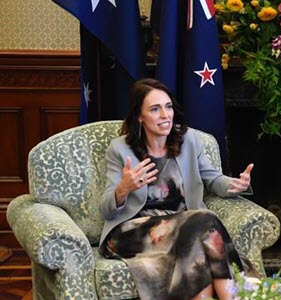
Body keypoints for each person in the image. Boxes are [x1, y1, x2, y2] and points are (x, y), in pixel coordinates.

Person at [99, 78, 254, 300]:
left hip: (184, 227)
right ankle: (236, 297)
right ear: (139, 116)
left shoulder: (189, 140)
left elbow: (213, 179)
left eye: (168, 106)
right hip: (132, 232)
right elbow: (106, 210)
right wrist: (123, 189)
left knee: (198, 246)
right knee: (204, 220)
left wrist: (234, 185)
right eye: (155, 109)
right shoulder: (120, 149)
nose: (165, 115)